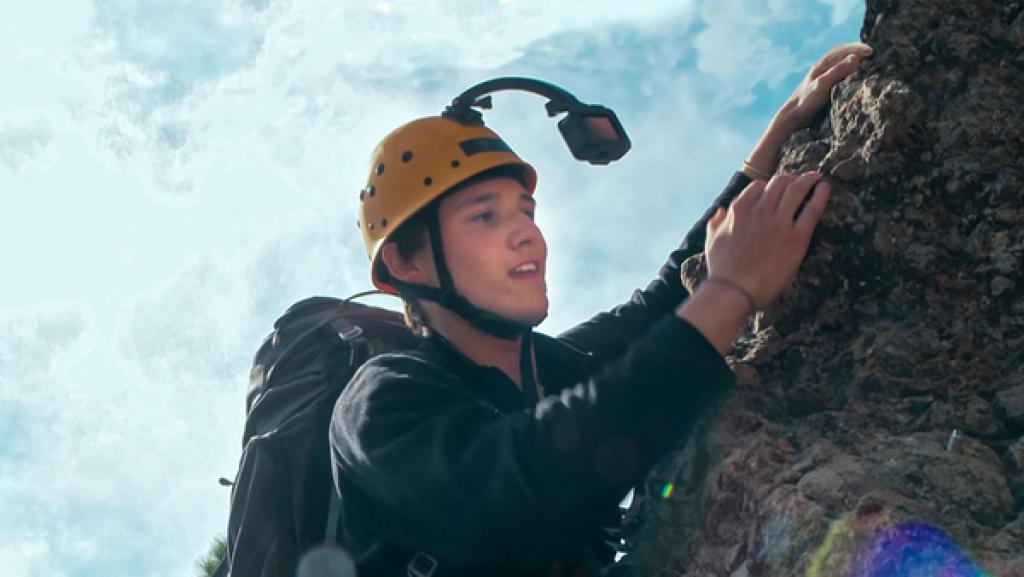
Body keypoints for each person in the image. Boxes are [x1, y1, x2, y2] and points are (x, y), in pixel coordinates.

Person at [329, 43, 874, 577]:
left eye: (526, 212)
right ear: (406, 262)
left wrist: (777, 138)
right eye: (484, 217)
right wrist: (729, 290)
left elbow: (661, 303)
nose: (527, 234)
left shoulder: (550, 368)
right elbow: (518, 493)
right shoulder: (382, 401)